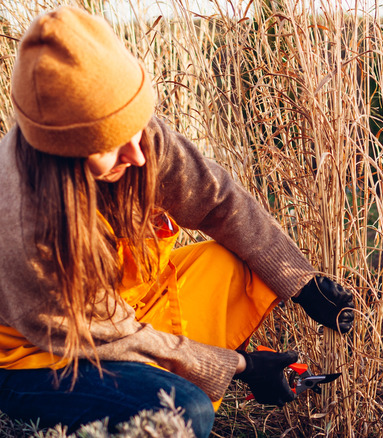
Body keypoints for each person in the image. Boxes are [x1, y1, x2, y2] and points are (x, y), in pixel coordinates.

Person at [0, 6, 354, 437]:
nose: (137, 154)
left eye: (134, 129)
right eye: (109, 146)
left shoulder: (133, 130)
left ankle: (175, 376)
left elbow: (219, 202)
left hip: (125, 309)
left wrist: (302, 283)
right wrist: (240, 367)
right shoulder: (26, 227)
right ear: (63, 155)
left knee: (244, 265)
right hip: (41, 357)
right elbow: (115, 337)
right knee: (184, 412)